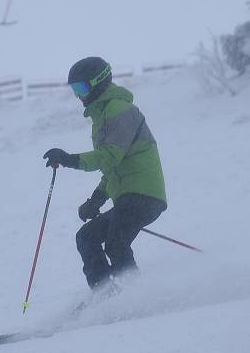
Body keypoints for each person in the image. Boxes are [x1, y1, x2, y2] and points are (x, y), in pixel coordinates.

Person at [43, 56, 167, 291]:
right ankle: (105, 296)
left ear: (98, 82)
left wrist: (69, 159)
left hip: (143, 195)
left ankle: (135, 296)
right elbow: (112, 167)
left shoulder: (119, 110)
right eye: (74, 90)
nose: (78, 95)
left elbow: (109, 156)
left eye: (81, 88)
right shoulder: (102, 115)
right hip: (128, 196)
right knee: (86, 237)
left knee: (115, 243)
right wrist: (95, 200)